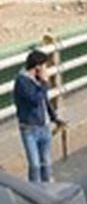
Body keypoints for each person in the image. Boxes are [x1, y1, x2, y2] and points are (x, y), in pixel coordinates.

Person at [14, 50, 62, 183]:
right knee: (35, 165)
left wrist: (54, 118)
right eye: (45, 66)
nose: (47, 70)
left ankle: (48, 189)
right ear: (38, 68)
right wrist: (45, 83)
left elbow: (44, 101)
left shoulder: (38, 81)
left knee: (46, 162)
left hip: (44, 127)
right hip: (29, 129)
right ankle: (35, 193)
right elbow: (35, 100)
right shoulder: (22, 82)